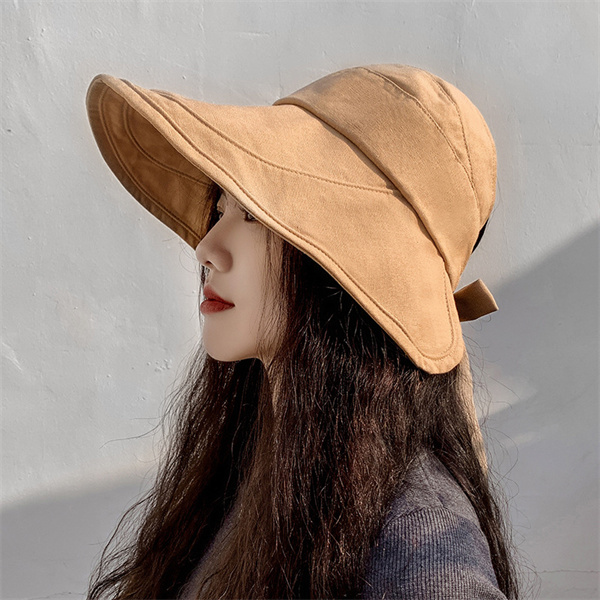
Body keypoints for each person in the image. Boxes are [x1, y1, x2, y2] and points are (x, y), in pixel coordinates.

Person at [85, 64, 521, 599]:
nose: (206, 248)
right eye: (220, 209)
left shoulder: (422, 549)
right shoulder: (257, 469)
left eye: (255, 217)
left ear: (353, 269)